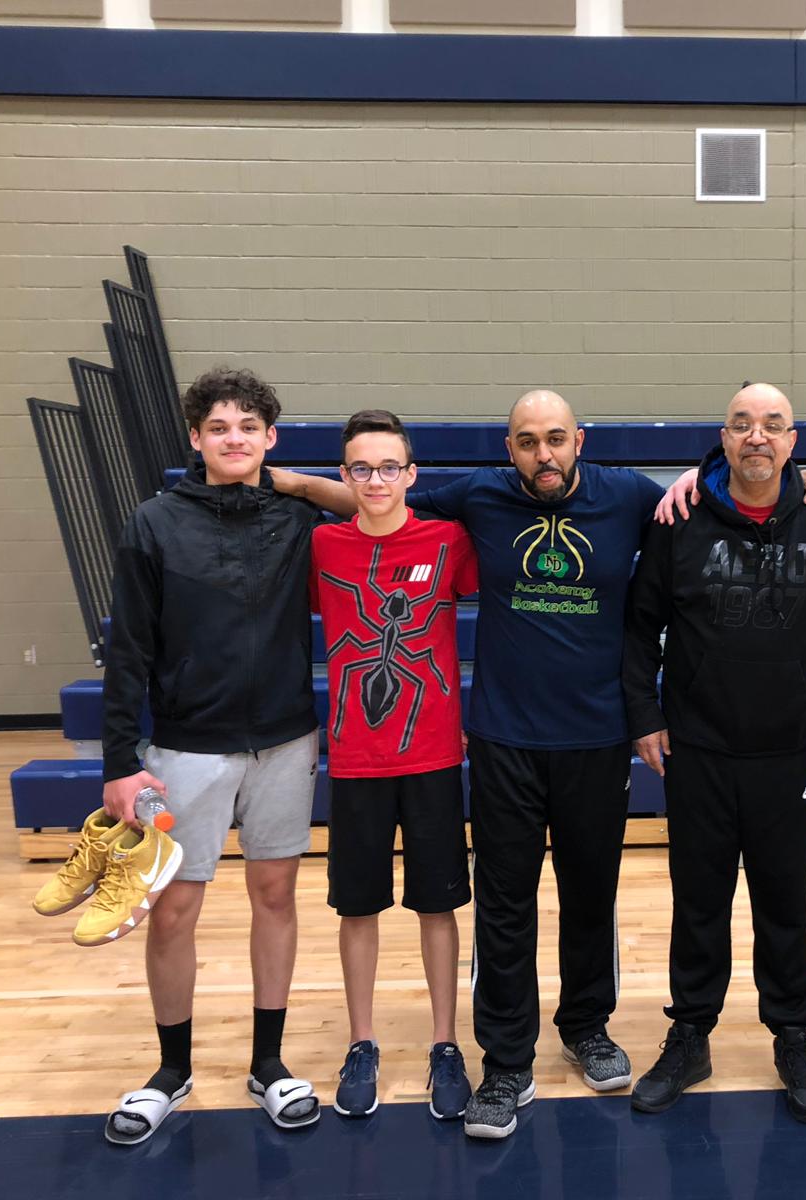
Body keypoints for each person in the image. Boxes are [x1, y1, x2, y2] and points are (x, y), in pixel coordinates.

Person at [274, 390, 806, 1138]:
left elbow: (728, 488)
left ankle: (586, 1027)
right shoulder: (481, 495)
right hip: (505, 736)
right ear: (509, 449)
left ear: (580, 442)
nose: (544, 453)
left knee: (589, 896)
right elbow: (376, 496)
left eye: (557, 439)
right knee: (505, 904)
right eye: (529, 441)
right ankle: (506, 1061)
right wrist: (288, 482)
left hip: (596, 737)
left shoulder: (629, 495)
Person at [100, 367, 324, 1144]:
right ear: (195, 438)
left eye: (249, 427)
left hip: (286, 741)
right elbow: (128, 649)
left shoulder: (298, 519)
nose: (234, 439)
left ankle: (269, 1064)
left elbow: (376, 503)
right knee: (174, 910)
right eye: (219, 428)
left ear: (271, 437)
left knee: (275, 896)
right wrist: (119, 762)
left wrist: (297, 483)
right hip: (186, 749)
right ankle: (172, 1070)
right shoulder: (154, 523)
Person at [621, 382, 806, 1124]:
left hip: (787, 748)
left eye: (773, 425)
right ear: (722, 438)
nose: (758, 436)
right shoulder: (680, 519)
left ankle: (793, 1035)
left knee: (785, 899)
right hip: (698, 746)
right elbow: (640, 625)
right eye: (743, 424)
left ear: (793, 442)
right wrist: (645, 715)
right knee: (699, 899)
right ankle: (691, 1034)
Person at [309, 410, 479, 1122]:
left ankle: (445, 1043)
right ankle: (362, 1043)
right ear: (344, 475)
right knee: (358, 907)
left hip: (433, 757)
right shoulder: (322, 545)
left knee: (438, 903)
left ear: (411, 474)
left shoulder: (446, 541)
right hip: (355, 760)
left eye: (388, 467)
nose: (375, 480)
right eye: (361, 468)